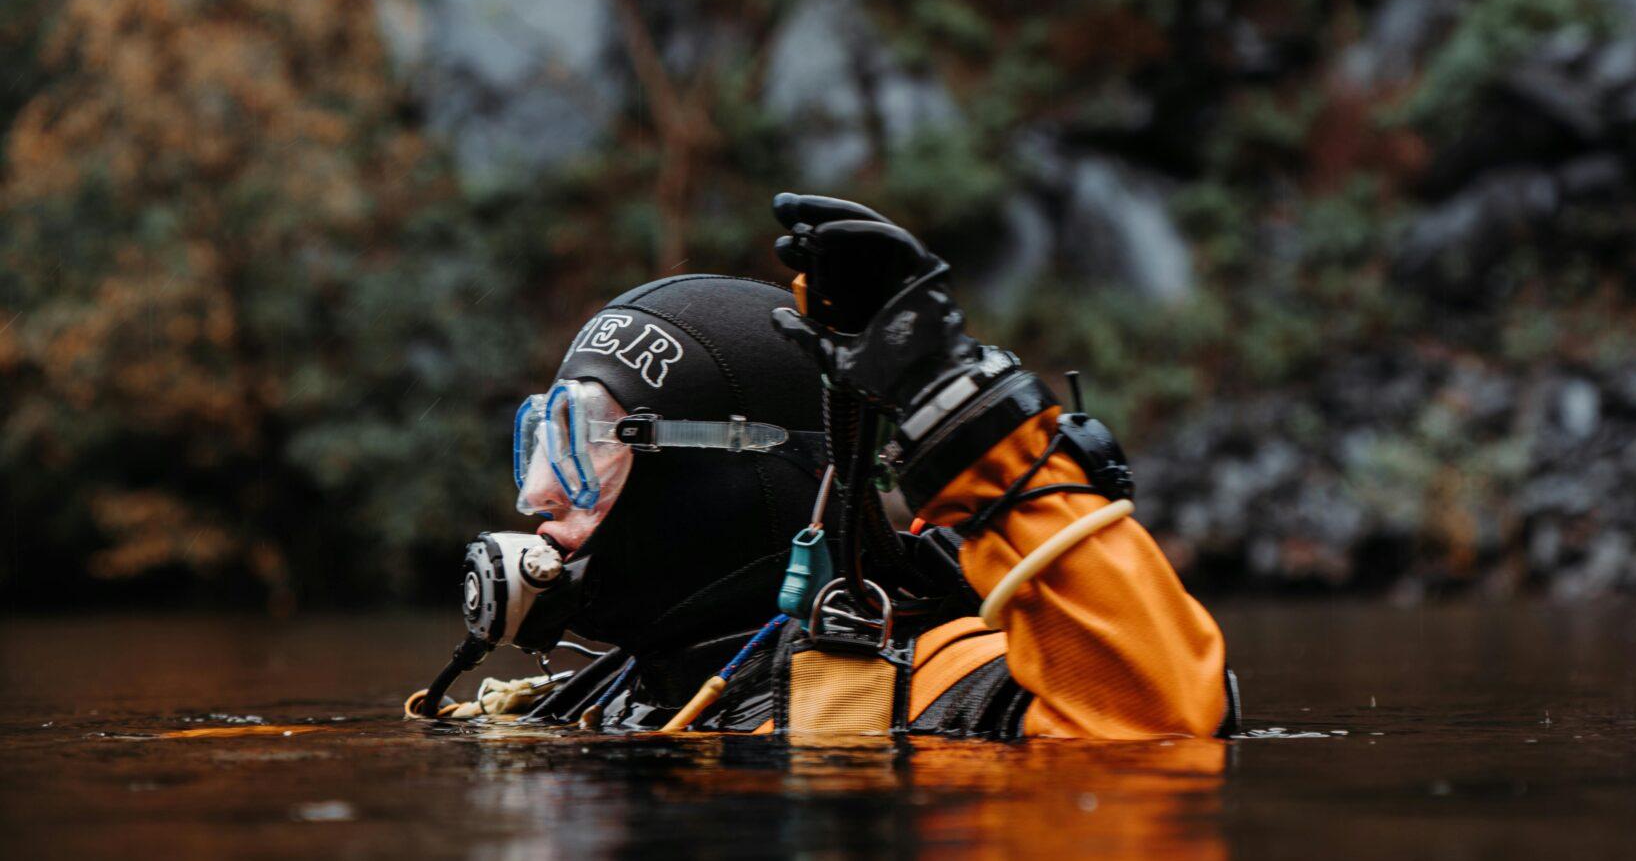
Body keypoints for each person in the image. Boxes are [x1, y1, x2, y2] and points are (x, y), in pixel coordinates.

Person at [418, 193, 1236, 739]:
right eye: (542, 437)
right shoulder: (611, 692)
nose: (536, 492)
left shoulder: (926, 683)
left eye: (586, 440)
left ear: (724, 478)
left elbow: (1161, 722)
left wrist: (961, 411)